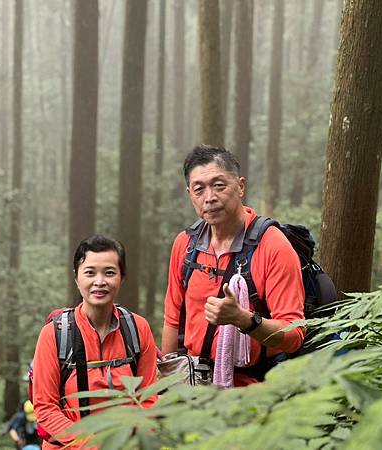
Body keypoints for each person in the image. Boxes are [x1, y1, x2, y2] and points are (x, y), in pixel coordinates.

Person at [161, 144, 305, 386]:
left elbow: (294, 334)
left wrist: (243, 319)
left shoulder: (272, 246)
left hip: (252, 391)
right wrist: (167, 382)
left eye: (219, 185)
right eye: (199, 189)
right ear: (189, 194)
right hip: (191, 387)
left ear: (240, 186)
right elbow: (172, 319)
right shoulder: (186, 244)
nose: (210, 198)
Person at [33, 235, 158, 449]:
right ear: (76, 278)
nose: (99, 282)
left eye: (109, 273)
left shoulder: (138, 329)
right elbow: (45, 408)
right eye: (90, 273)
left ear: (122, 277)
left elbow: (148, 399)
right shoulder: (54, 334)